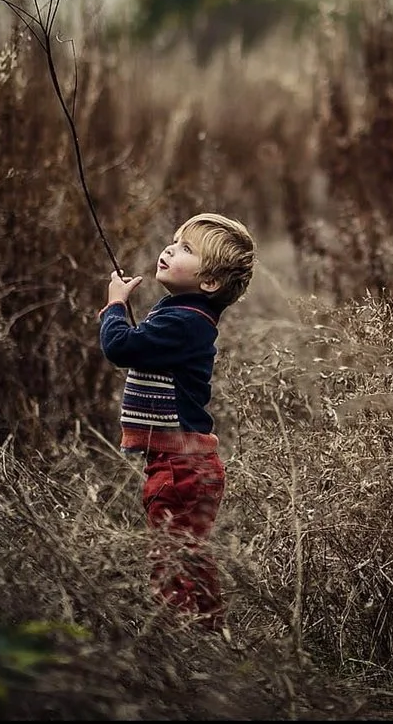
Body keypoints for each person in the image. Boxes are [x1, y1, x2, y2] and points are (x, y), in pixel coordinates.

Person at [97, 212, 255, 626]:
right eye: (174, 241)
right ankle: (207, 633)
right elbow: (142, 348)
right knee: (188, 557)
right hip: (183, 465)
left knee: (173, 560)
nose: (169, 249)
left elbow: (119, 348)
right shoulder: (182, 314)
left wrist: (115, 304)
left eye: (186, 248)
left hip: (180, 467)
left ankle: (185, 637)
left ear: (210, 283)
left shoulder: (184, 321)